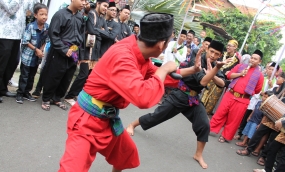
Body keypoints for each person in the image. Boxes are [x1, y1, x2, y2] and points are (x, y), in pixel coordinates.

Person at [58, 13, 202, 172]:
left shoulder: (140, 54)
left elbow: (157, 75)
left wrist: (192, 70)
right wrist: (165, 68)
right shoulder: (123, 56)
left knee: (127, 155)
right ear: (161, 44)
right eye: (168, 41)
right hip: (87, 121)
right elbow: (143, 97)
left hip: (107, 119)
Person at [126, 40, 231, 169]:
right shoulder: (197, 60)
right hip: (180, 94)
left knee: (204, 124)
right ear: (208, 50)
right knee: (157, 116)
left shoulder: (215, 64)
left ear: (220, 55)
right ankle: (132, 124)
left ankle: (198, 154)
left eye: (216, 54)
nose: (213, 55)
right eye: (212, 52)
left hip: (193, 99)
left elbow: (222, 84)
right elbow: (203, 82)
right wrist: (215, 69)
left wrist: (214, 71)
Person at [41, 0, 88, 111]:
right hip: (60, 51)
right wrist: (64, 49)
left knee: (67, 76)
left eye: (85, 0)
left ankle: (57, 98)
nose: (84, 3)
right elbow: (53, 34)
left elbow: (81, 37)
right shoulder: (60, 14)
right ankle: (46, 98)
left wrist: (80, 55)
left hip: (74, 52)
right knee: (54, 75)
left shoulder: (80, 17)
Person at [64, 0, 111, 106]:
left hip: (96, 51)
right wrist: (101, 31)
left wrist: (98, 30)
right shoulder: (91, 14)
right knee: (83, 75)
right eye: (104, 6)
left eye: (107, 7)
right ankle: (69, 96)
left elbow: (108, 35)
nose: (106, 8)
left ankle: (77, 94)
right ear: (98, 4)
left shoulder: (103, 19)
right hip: (87, 49)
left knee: (89, 76)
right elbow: (90, 30)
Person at [210, 50, 264, 143]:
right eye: (252, 58)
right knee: (220, 113)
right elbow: (229, 75)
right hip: (230, 94)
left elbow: (258, 90)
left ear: (259, 62)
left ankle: (225, 136)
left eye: (255, 59)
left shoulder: (260, 75)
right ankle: (210, 128)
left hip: (242, 99)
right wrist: (240, 74)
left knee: (234, 120)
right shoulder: (240, 66)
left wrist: (248, 91)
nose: (252, 60)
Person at [236, 72, 285, 165]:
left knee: (272, 139)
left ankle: (263, 156)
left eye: (280, 77)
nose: (277, 78)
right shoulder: (274, 89)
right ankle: (248, 149)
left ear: (284, 80)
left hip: (280, 120)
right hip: (269, 117)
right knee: (258, 133)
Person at [0, 0, 39, 103]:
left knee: (13, 63)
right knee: (2, 64)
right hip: (4, 35)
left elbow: (34, 9)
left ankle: (3, 88)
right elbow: (11, 9)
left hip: (18, 35)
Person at [234, 62, 279, 140]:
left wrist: (271, 86)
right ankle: (240, 133)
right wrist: (260, 92)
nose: (270, 71)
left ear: (276, 72)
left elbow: (273, 95)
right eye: (269, 69)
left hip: (264, 105)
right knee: (247, 117)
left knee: (256, 122)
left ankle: (248, 138)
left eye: (273, 70)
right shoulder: (261, 78)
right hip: (256, 100)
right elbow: (256, 87)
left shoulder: (276, 83)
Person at [15, 3, 49, 104]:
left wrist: (41, 50)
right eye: (41, 14)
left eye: (46, 14)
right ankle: (19, 93)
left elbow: (46, 40)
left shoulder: (47, 27)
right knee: (24, 76)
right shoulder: (30, 26)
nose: (44, 17)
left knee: (32, 76)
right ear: (35, 15)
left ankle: (26, 92)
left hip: (37, 57)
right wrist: (36, 50)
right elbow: (25, 41)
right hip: (27, 57)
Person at [201, 39, 240, 115]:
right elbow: (215, 63)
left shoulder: (236, 60)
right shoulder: (221, 54)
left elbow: (231, 71)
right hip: (213, 73)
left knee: (214, 97)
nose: (227, 47)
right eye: (227, 45)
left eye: (230, 45)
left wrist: (224, 73)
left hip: (221, 79)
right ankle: (199, 109)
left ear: (235, 47)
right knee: (206, 92)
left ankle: (206, 113)